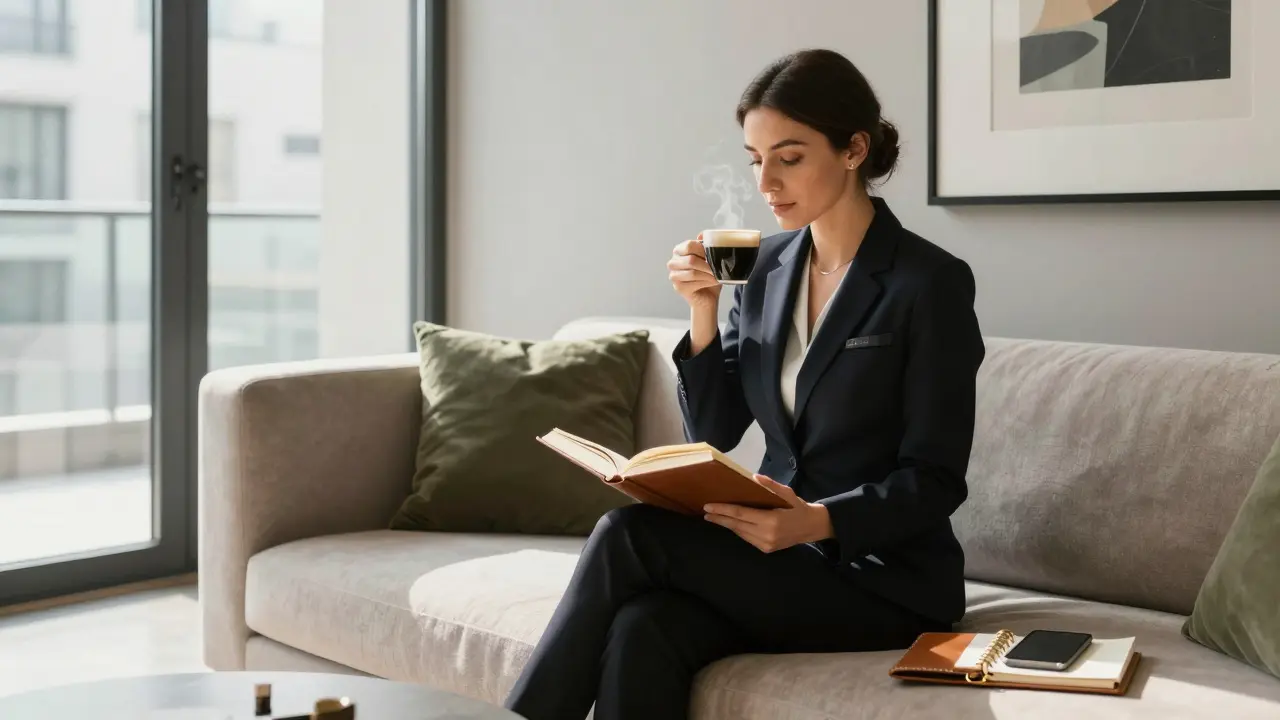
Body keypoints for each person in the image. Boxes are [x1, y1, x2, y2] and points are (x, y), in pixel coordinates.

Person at [503, 48, 985, 720]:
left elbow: (936, 479)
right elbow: (716, 430)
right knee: (644, 628)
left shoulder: (925, 283)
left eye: (789, 157)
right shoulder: (766, 268)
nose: (766, 182)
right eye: (756, 159)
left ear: (853, 150)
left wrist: (815, 521)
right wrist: (702, 308)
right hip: (783, 560)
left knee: (627, 535)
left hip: (884, 582)